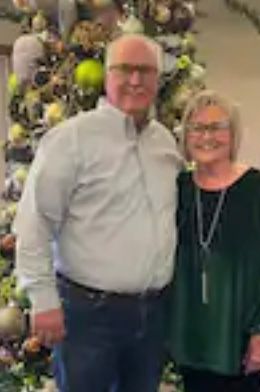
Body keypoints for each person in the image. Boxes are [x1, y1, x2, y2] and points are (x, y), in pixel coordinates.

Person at [14, 34, 182, 392]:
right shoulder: (71, 139)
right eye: (125, 69)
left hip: (152, 315)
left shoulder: (166, 144)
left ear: (158, 78)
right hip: (88, 317)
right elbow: (34, 223)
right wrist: (43, 300)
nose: (135, 80)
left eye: (145, 71)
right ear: (107, 75)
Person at [168, 90, 260, 392]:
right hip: (189, 341)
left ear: (234, 134)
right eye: (196, 128)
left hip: (238, 344)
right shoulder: (179, 189)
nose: (206, 136)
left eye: (216, 127)